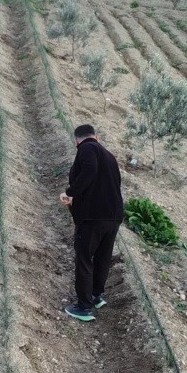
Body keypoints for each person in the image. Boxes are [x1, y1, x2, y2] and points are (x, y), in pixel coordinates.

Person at [59, 124, 124, 322]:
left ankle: (83, 307)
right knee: (103, 257)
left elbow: (89, 171)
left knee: (84, 258)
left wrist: (70, 193)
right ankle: (96, 295)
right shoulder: (109, 156)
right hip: (113, 217)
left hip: (93, 217)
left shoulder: (87, 148)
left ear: (76, 140)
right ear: (97, 136)